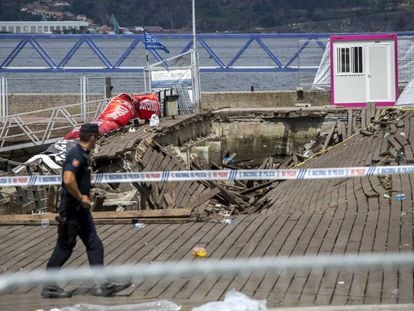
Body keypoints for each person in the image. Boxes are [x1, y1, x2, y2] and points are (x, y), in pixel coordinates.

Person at [41, 123, 131, 298]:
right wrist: (81, 196)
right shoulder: (76, 155)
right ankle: (49, 286)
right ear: (91, 137)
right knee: (65, 247)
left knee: (94, 244)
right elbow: (68, 179)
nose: (97, 140)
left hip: (81, 211)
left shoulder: (83, 154)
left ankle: (104, 284)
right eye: (97, 137)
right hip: (71, 210)